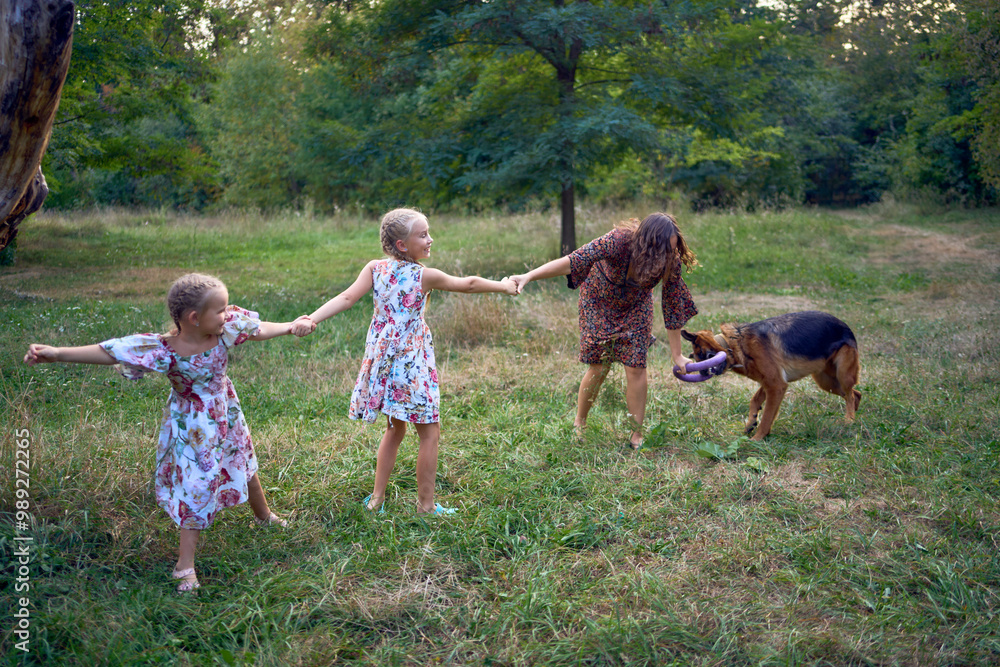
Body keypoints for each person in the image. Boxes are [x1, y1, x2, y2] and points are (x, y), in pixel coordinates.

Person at [23, 273, 313, 592]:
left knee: (243, 459)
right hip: (194, 428)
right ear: (194, 318)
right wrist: (58, 353)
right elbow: (112, 352)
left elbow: (258, 329)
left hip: (225, 411)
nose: (228, 313)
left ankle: (263, 515)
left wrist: (289, 326)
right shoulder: (165, 350)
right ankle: (184, 565)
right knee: (198, 485)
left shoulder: (224, 328)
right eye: (220, 309)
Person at [292, 208, 517, 515]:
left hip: (385, 362)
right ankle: (425, 505)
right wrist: (504, 285)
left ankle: (376, 499)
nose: (430, 239)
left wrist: (312, 318)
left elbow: (346, 298)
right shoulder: (424, 276)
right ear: (401, 245)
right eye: (422, 235)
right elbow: (470, 284)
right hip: (412, 362)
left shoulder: (375, 269)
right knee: (429, 432)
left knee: (394, 429)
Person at [509, 212, 699, 450]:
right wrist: (529, 276)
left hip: (635, 305)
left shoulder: (670, 260)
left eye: (673, 249)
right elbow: (574, 260)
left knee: (636, 366)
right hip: (598, 299)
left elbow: (673, 305)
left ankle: (636, 434)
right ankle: (580, 422)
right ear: (649, 244)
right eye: (665, 250)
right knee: (599, 366)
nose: (670, 256)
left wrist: (677, 354)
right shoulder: (618, 241)